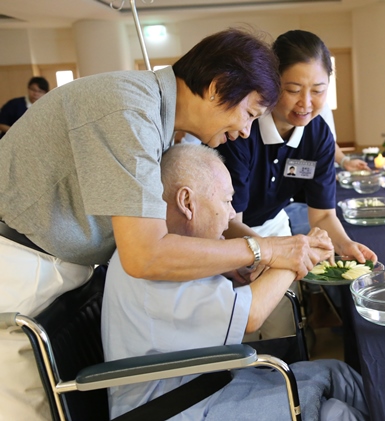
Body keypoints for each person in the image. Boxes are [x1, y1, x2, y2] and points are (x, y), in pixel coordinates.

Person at [0, 28, 333, 421]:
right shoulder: (127, 110)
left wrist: (251, 251)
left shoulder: (161, 119)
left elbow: (214, 213)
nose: (245, 131)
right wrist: (267, 249)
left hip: (65, 262)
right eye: (248, 114)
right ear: (217, 87)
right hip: (23, 266)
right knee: (38, 409)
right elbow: (146, 254)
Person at [102, 143, 369, 421]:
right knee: (335, 413)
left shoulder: (181, 246)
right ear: (187, 202)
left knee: (340, 374)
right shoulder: (154, 262)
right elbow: (251, 316)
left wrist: (243, 269)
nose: (231, 214)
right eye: (227, 201)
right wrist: (299, 256)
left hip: (212, 381)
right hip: (176, 405)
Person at [217, 30, 376, 339]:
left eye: (318, 90)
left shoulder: (318, 137)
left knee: (283, 329)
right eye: (293, 89)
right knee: (241, 329)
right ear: (272, 83)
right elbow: (227, 222)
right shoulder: (242, 130)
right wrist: (273, 253)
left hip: (275, 228)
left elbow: (323, 215)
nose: (306, 103)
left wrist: (345, 245)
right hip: (230, 235)